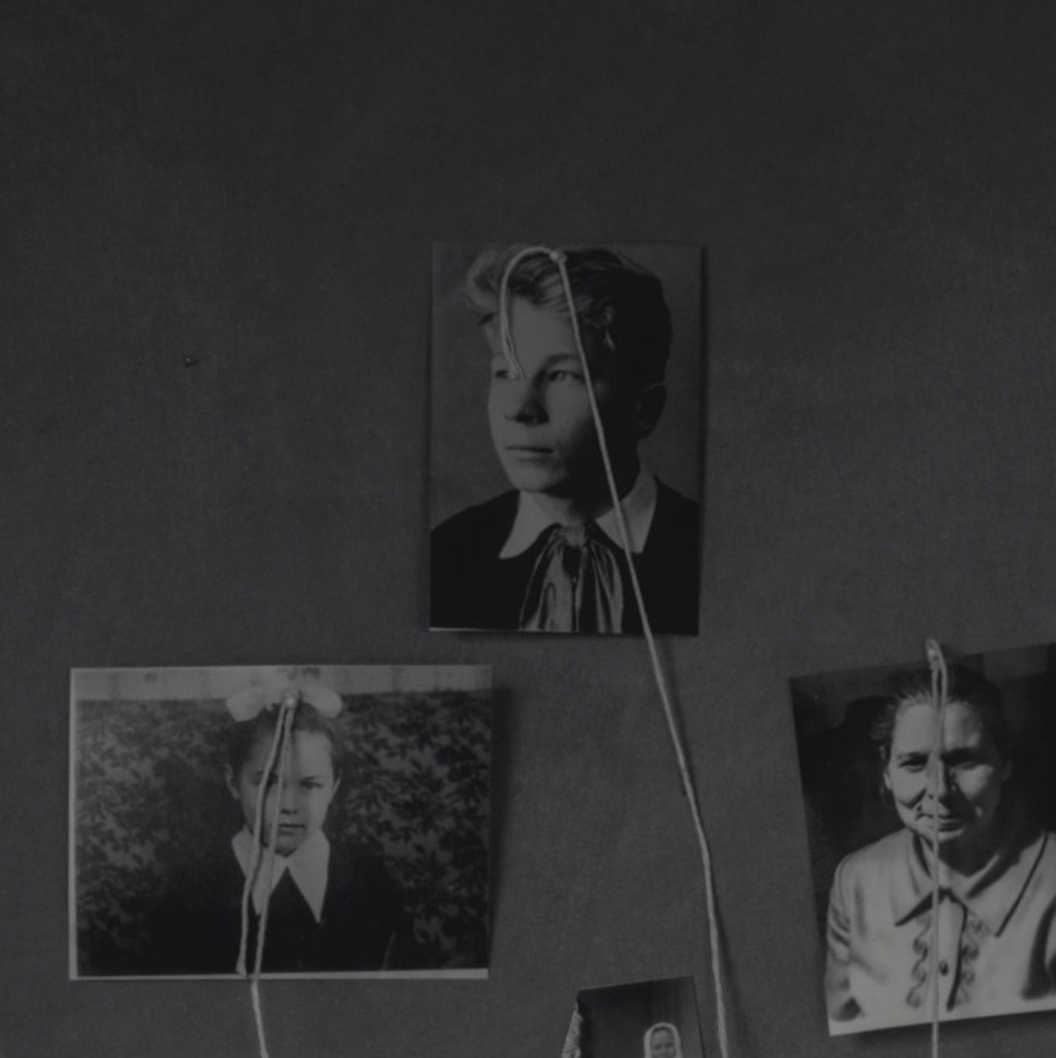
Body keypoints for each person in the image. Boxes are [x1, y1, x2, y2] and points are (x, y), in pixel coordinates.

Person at [430, 246, 701, 637]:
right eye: (506, 373)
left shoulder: (707, 550)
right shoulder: (445, 556)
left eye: (563, 376)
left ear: (644, 410)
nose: (520, 409)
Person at [822, 669, 1056, 1034]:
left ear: (1005, 763)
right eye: (914, 763)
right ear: (887, 771)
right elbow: (843, 1032)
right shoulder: (854, 879)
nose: (939, 790)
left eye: (964, 761)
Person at [111, 679, 411, 975]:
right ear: (233, 782)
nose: (288, 805)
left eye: (310, 785)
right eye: (268, 783)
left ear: (333, 787)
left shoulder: (369, 879)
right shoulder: (191, 890)